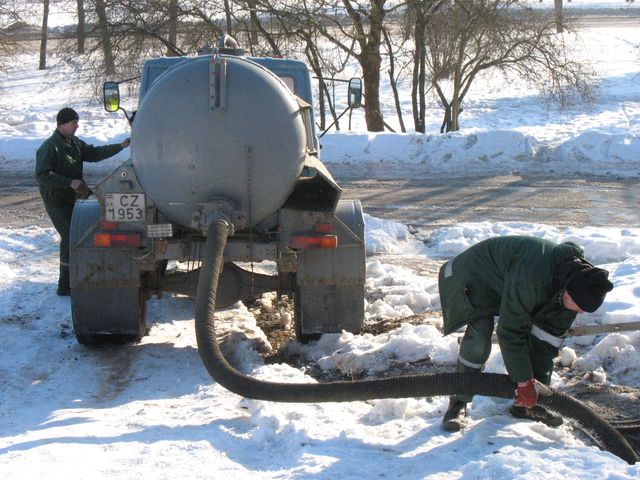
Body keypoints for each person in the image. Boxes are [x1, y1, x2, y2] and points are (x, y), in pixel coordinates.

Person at [438, 235, 614, 431]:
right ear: (567, 292)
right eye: (580, 306)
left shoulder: (574, 287)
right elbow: (510, 331)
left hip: (507, 280)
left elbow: (547, 341)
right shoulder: (533, 275)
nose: (580, 312)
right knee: (478, 340)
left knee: (543, 337)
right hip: (474, 277)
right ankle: (457, 403)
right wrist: (523, 381)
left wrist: (534, 392)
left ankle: (526, 407)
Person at [35, 107, 130, 296]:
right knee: (72, 237)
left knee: (74, 236)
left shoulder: (74, 143)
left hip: (71, 199)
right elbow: (42, 175)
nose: (77, 126)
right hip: (56, 201)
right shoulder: (49, 147)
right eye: (74, 123)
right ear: (62, 124)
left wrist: (120, 146)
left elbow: (93, 154)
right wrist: (69, 182)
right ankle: (65, 285)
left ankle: (71, 280)